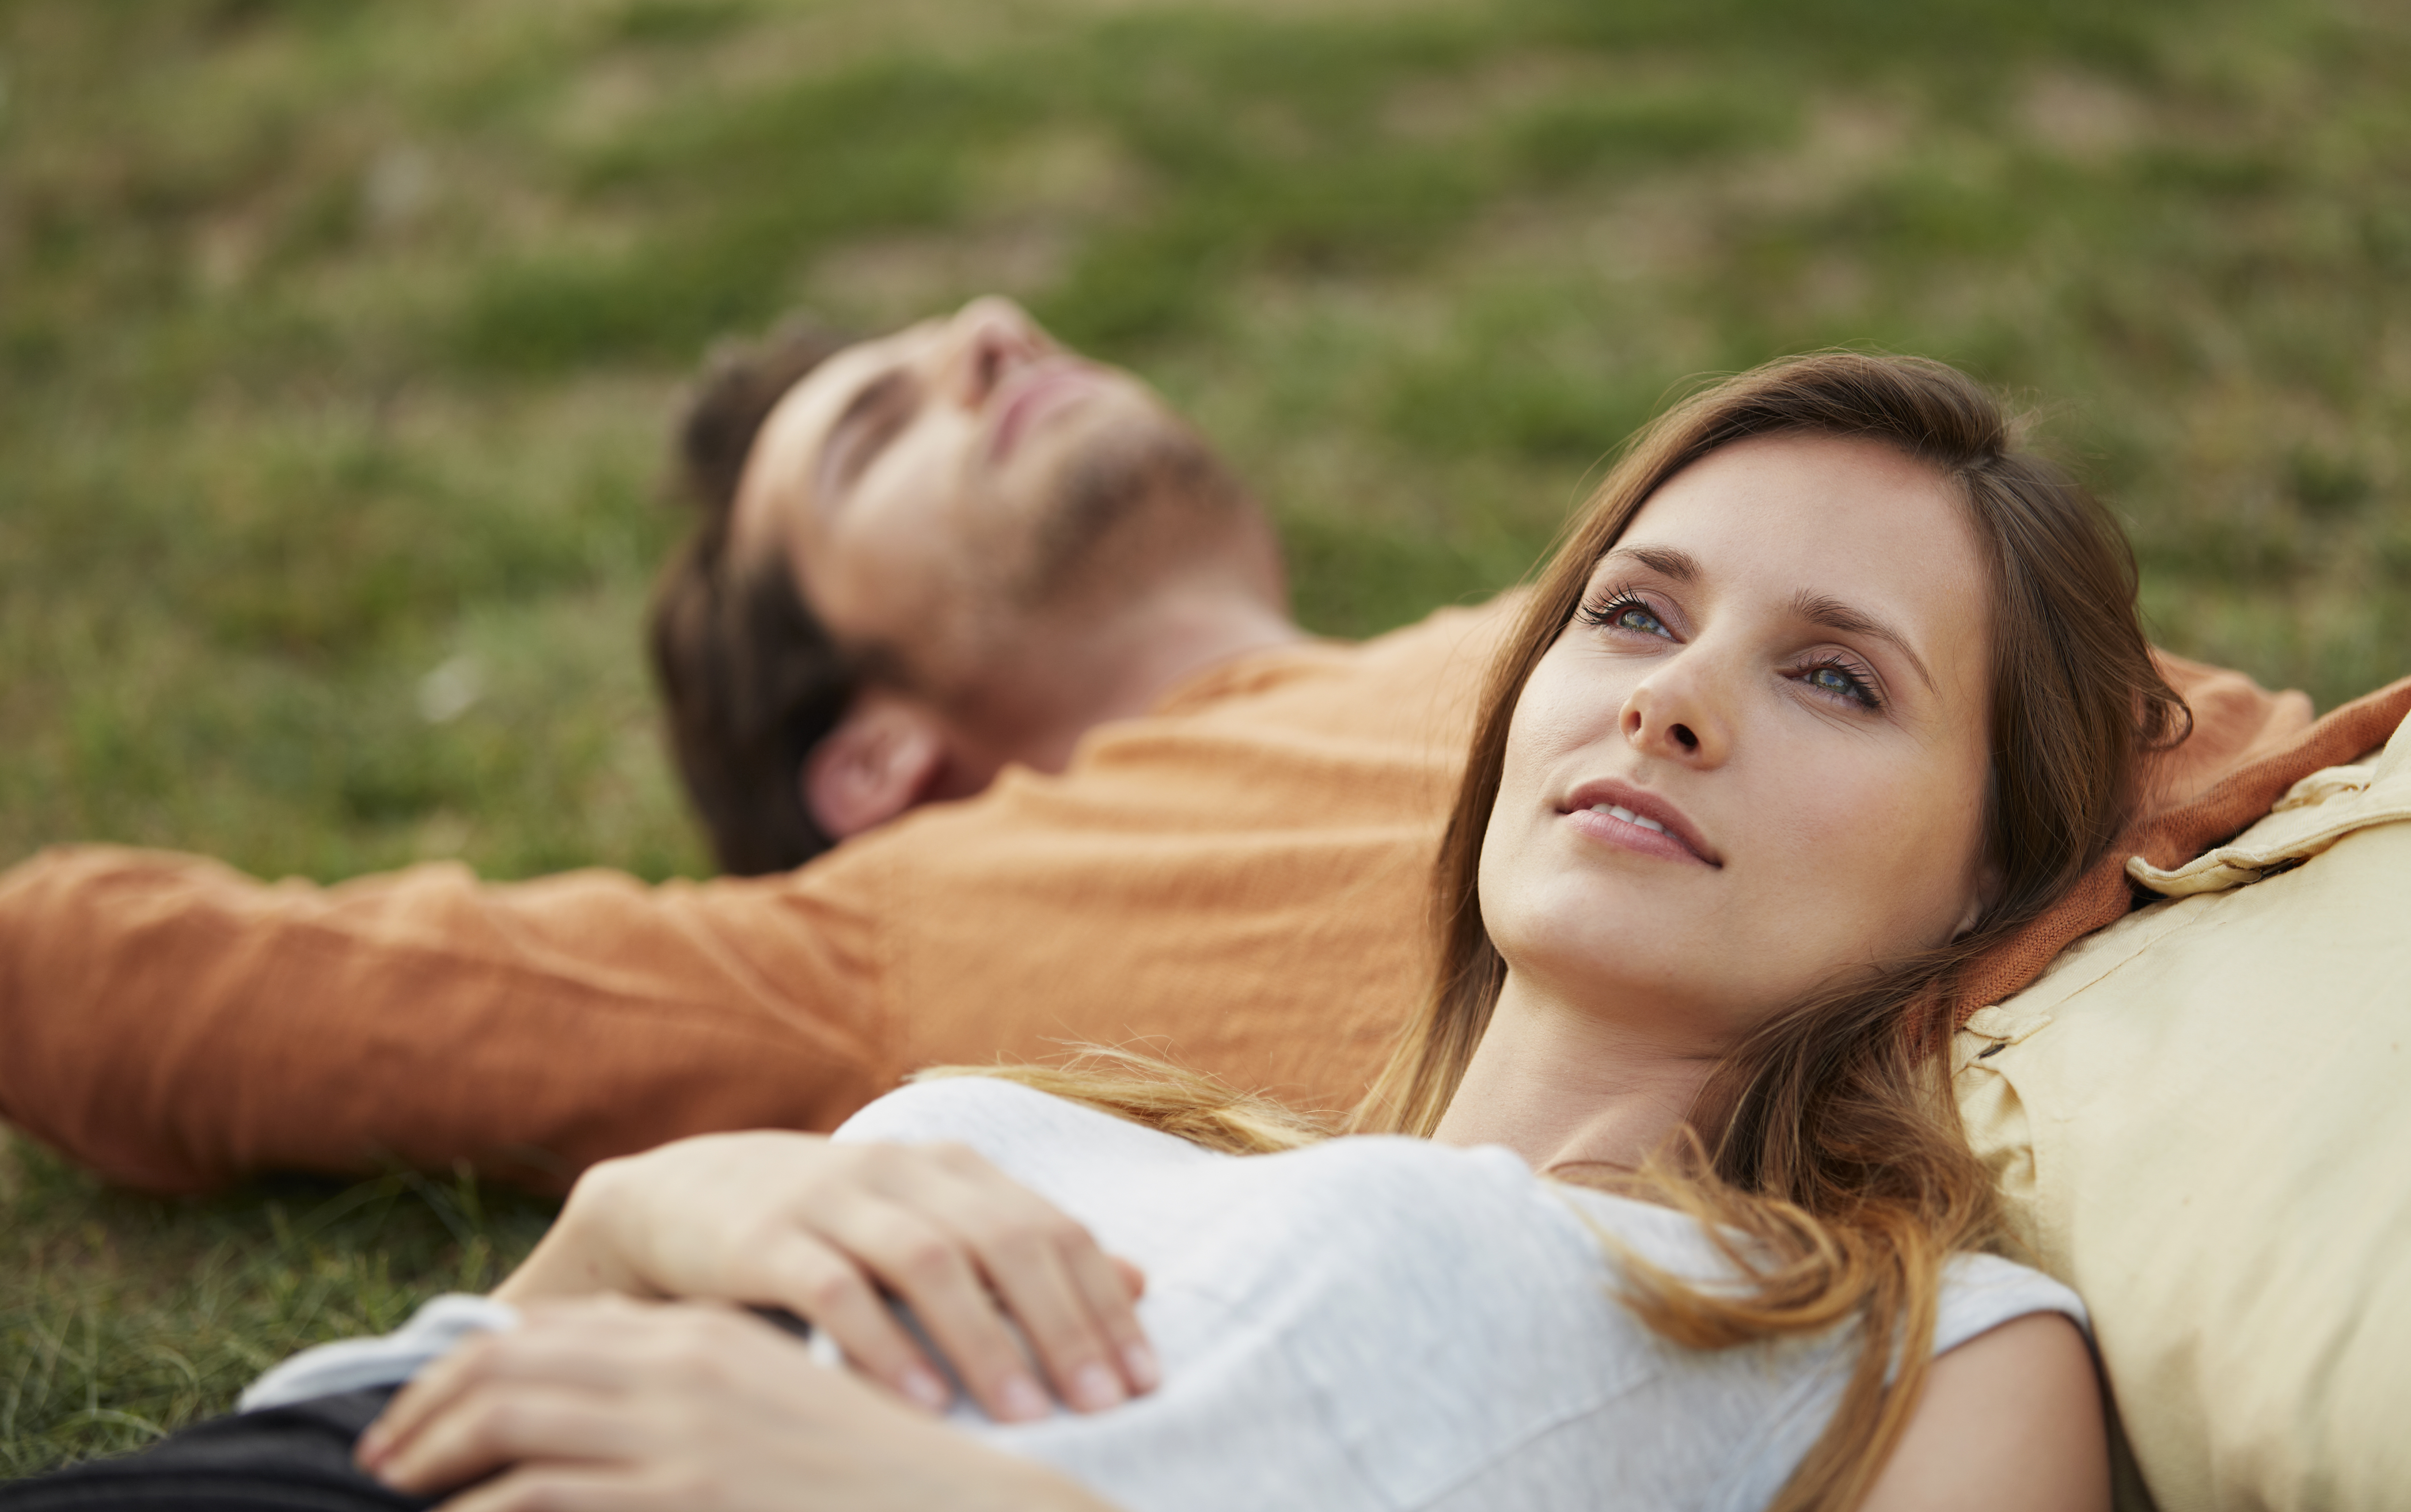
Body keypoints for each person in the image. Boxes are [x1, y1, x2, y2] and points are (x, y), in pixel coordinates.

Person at [0, 351, 2152, 1512]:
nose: (1669, 693)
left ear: (1993, 861)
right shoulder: (1010, 1032)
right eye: (1631, 613)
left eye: (1835, 675)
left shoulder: (1917, 1339)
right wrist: (650, 1215)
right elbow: (337, 1143)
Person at [0, 303, 2313, 1202]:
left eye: (960, 331)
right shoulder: (877, 936)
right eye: (882, 429)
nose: (990, 331)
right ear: (873, 754)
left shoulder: (1641, 618)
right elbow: (209, 991)